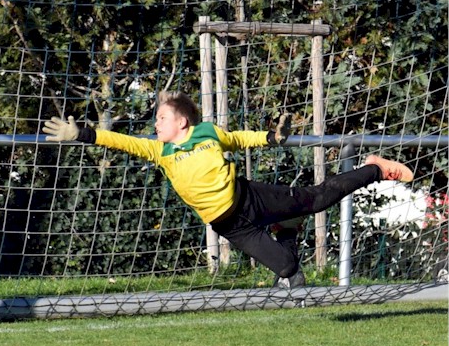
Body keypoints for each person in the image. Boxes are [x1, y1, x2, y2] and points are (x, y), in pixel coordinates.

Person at [41, 91, 414, 288]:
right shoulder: (160, 151)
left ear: (182, 121)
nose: (155, 124)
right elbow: (121, 141)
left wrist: (272, 137)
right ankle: (286, 229)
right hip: (229, 225)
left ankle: (374, 168)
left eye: (161, 118)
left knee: (317, 199)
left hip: (248, 196)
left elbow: (239, 138)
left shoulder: (207, 133)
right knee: (288, 268)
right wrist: (82, 133)